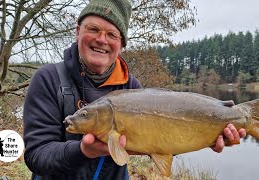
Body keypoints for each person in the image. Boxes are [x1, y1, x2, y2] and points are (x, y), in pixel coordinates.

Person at [23, 0, 246, 179]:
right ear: (78, 31)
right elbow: (36, 156)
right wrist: (83, 150)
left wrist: (209, 137)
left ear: (121, 44)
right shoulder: (48, 79)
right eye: (93, 29)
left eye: (112, 34)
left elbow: (160, 139)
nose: (102, 40)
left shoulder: (132, 88)